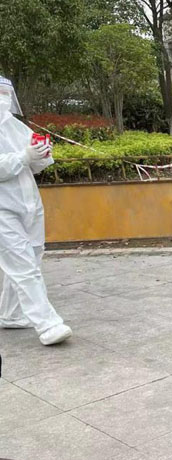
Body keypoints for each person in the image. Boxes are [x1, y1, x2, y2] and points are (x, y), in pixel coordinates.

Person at [0, 76, 72, 346]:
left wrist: (41, 155)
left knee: (30, 256)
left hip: (28, 202)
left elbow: (35, 165)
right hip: (2, 208)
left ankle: (11, 313)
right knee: (22, 265)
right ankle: (47, 324)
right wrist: (23, 157)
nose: (4, 98)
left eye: (6, 93)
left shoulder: (15, 126)